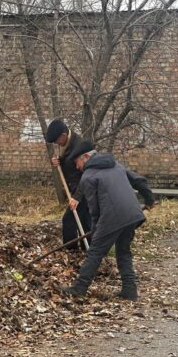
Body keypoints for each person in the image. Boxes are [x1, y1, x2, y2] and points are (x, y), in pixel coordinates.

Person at [59, 141, 155, 301]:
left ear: (86, 157)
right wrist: (149, 199)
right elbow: (138, 180)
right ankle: (129, 290)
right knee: (123, 251)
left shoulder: (88, 177)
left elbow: (94, 210)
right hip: (132, 214)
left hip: (113, 217)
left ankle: (79, 288)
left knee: (95, 252)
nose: (77, 167)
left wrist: (96, 230)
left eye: (77, 162)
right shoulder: (116, 166)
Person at [45, 118, 91, 250]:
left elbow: (86, 174)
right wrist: (59, 161)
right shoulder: (67, 143)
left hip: (83, 191)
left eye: (56, 141)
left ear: (63, 135)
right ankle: (86, 250)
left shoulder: (78, 145)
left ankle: (73, 252)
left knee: (70, 220)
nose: (57, 144)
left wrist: (77, 197)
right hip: (75, 191)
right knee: (83, 221)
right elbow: (69, 161)